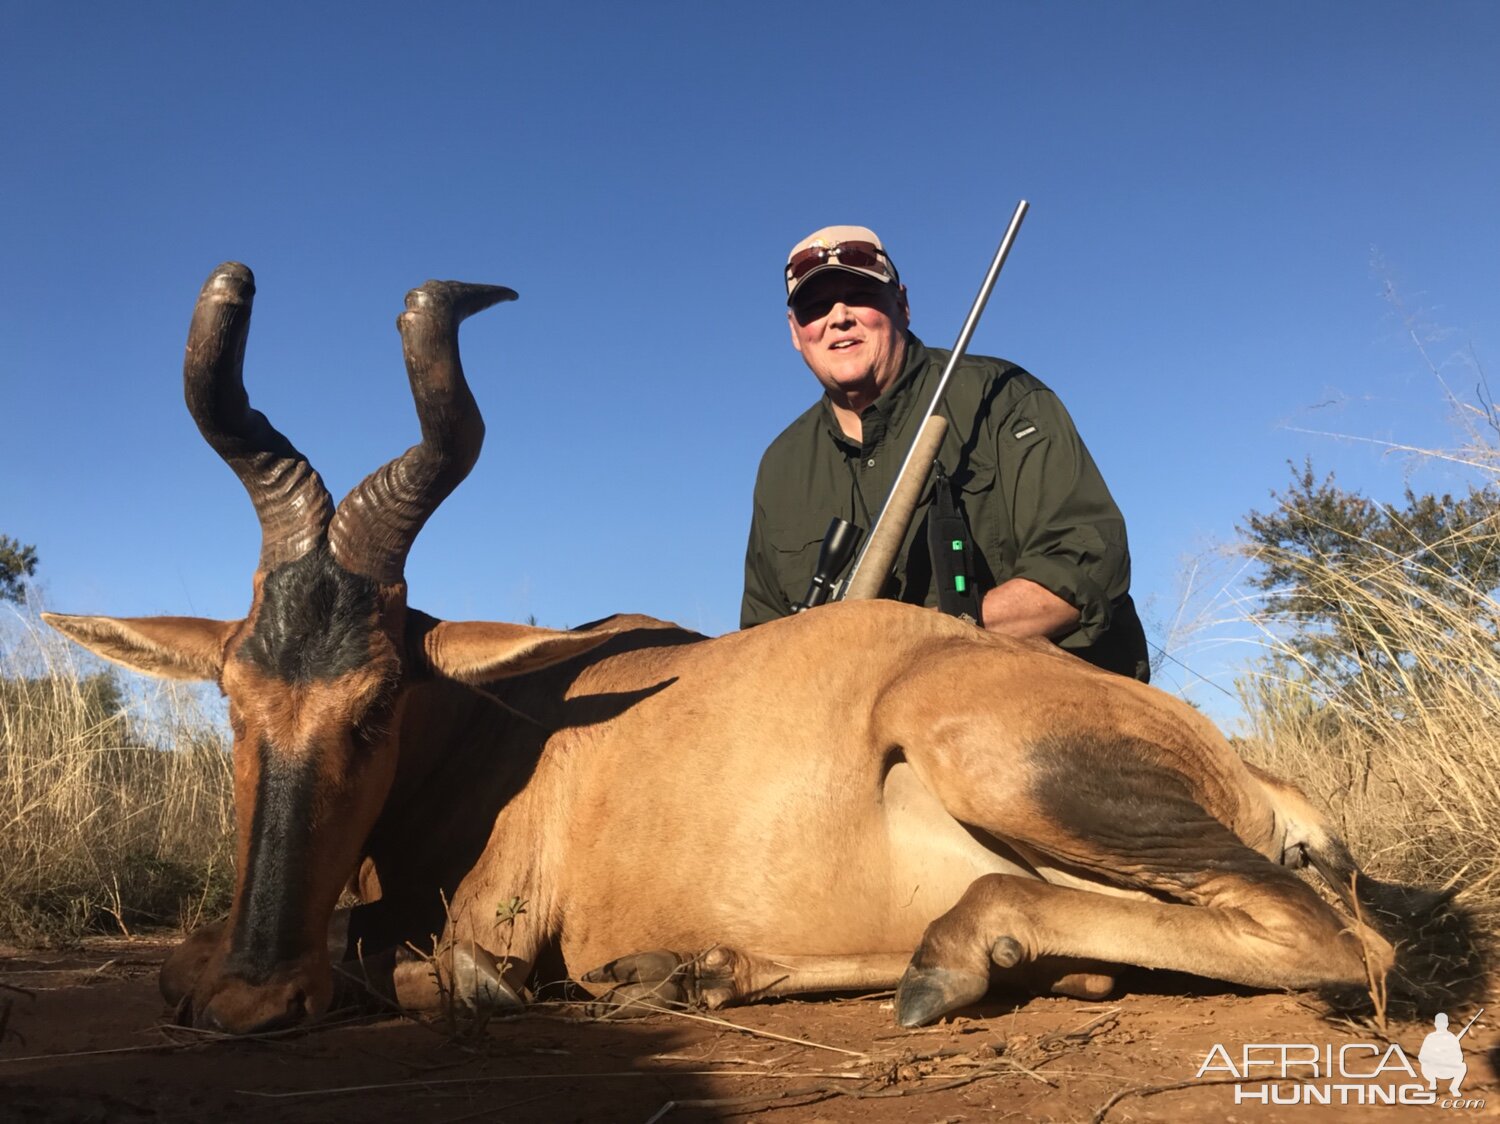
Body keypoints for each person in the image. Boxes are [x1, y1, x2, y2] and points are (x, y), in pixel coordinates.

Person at [741, 224, 1150, 682]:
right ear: (796, 333)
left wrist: (910, 638)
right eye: (814, 307)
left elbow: (1084, 567)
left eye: (859, 295)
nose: (839, 317)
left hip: (1030, 692)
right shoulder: (781, 466)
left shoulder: (1001, 397)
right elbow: (763, 637)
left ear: (902, 304)